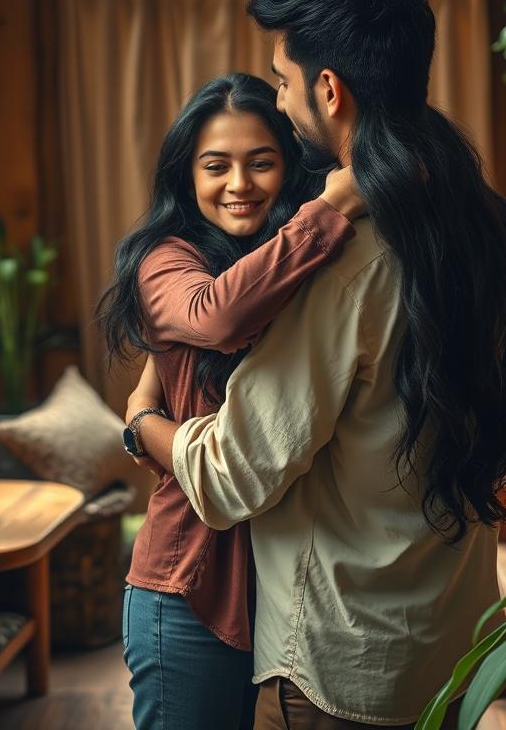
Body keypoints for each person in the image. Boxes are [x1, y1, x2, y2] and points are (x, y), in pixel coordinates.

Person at [125, 0, 506, 729]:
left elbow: (230, 480)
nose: (281, 102)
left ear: (329, 90)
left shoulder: (343, 259)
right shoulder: (475, 216)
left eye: (283, 81)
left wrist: (143, 424)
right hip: (450, 644)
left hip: (341, 664)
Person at [99, 72, 365, 730]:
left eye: (261, 163)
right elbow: (215, 318)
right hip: (189, 580)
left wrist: (143, 418)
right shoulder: (166, 258)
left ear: (290, 167)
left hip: (292, 592)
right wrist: (333, 208)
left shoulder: (309, 265)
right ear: (186, 175)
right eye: (216, 166)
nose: (239, 185)